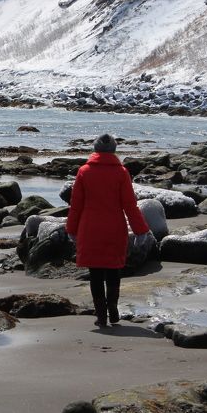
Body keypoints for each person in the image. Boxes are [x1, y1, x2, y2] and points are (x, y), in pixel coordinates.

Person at [66, 133, 150, 328]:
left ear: (95, 149)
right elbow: (130, 205)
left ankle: (101, 315)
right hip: (114, 228)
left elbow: (76, 205)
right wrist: (140, 230)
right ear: (113, 149)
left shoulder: (84, 171)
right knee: (113, 271)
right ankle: (113, 308)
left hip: (90, 229)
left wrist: (71, 229)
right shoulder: (121, 172)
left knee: (95, 274)